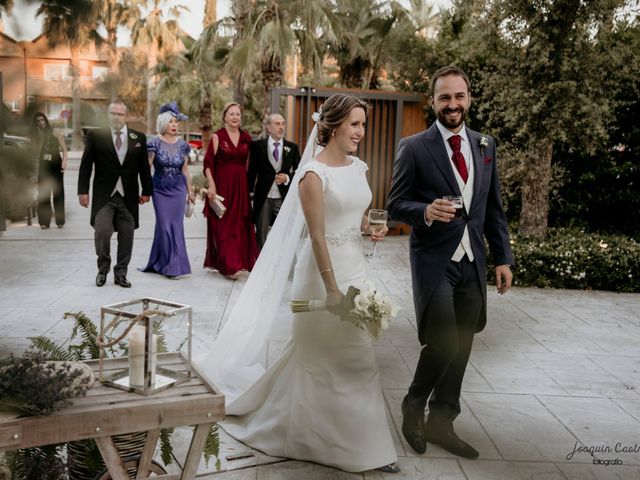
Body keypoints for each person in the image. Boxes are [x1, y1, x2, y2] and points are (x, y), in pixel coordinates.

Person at [197, 94, 399, 474]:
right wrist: (333, 289)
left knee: (353, 356)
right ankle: (323, 439)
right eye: (355, 124)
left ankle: (361, 443)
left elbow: (353, 220)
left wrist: (372, 228)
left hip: (355, 266)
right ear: (335, 125)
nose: (360, 132)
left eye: (363, 125)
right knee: (330, 357)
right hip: (322, 275)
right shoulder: (312, 175)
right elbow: (319, 236)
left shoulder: (359, 167)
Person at [387, 65, 514, 458]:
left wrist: (503, 258)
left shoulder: (485, 145)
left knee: (461, 344)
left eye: (459, 96)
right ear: (433, 101)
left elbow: (492, 208)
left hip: (472, 261)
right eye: (445, 97)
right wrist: (425, 210)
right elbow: (395, 205)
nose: (452, 104)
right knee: (442, 340)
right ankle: (413, 406)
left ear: (469, 98)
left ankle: (442, 420)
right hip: (434, 261)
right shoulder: (414, 146)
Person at [78, 101, 153, 288]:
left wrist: (147, 191)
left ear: (126, 116)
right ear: (108, 115)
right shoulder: (96, 136)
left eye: (120, 114)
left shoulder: (138, 138)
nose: (117, 117)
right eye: (113, 113)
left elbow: (144, 167)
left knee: (126, 236)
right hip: (105, 195)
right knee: (102, 231)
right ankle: (103, 269)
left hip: (128, 196)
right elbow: (86, 165)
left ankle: (121, 273)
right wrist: (83, 191)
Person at [202, 101, 258, 279]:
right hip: (222, 186)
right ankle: (228, 265)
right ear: (225, 117)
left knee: (239, 226)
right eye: (231, 114)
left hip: (240, 186)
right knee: (223, 226)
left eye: (238, 114)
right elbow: (208, 163)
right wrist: (211, 184)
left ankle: (237, 262)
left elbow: (250, 163)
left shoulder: (246, 138)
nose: (235, 117)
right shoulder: (218, 137)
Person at [140, 102, 194, 278]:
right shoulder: (154, 144)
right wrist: (145, 189)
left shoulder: (183, 145)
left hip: (178, 190)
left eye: (176, 122)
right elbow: (147, 168)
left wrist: (190, 192)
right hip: (159, 190)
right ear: (163, 123)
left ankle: (173, 266)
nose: (174, 125)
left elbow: (185, 169)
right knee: (164, 226)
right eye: (171, 122)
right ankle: (161, 262)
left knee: (176, 226)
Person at [248, 113, 301, 249]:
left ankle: (280, 261)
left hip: (283, 197)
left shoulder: (292, 148)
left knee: (286, 231)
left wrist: (287, 177)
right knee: (261, 232)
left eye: (283, 124)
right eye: (277, 124)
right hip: (263, 196)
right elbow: (252, 172)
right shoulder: (257, 146)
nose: (281, 127)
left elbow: (300, 170)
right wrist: (249, 194)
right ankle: (261, 265)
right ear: (269, 128)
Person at [32, 112, 68, 229]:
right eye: (38, 121)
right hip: (43, 166)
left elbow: (64, 148)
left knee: (58, 192)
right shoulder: (36, 136)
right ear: (35, 124)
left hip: (56, 164)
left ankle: (60, 221)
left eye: (42, 120)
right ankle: (44, 221)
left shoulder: (55, 133)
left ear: (45, 120)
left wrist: (64, 161)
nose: (41, 123)